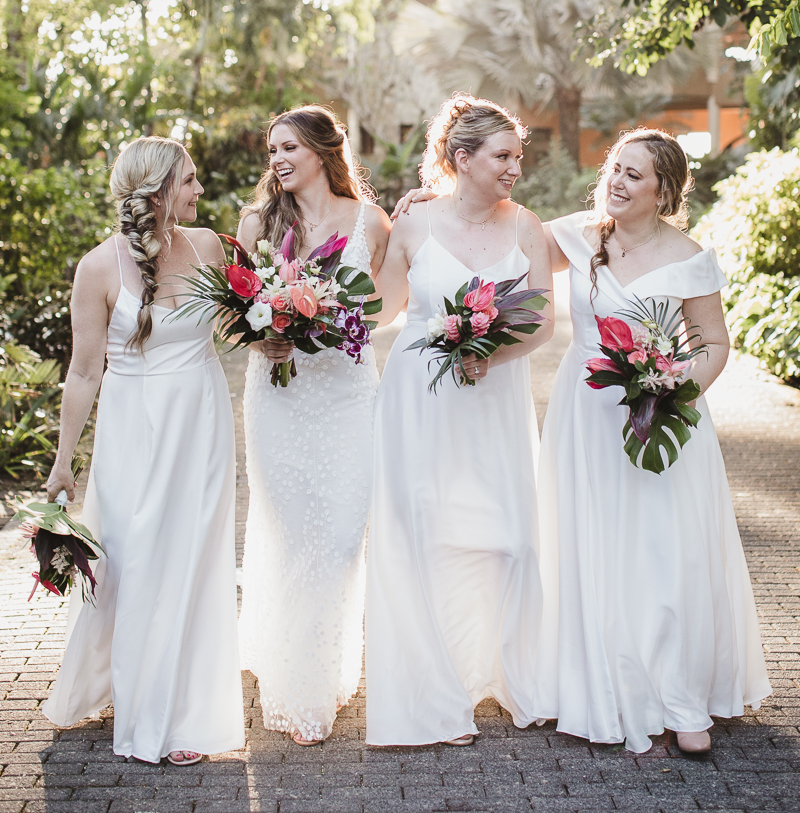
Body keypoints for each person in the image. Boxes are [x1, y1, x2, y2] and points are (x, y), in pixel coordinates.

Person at [531, 127, 771, 754]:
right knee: (592, 541)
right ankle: (595, 682)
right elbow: (502, 229)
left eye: (633, 174)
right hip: (586, 413)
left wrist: (675, 390)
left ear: (663, 190)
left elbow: (714, 343)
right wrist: (432, 196)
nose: (616, 181)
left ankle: (679, 693)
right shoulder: (580, 238)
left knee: (664, 548)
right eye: (614, 167)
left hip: (662, 415)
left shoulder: (690, 257)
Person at [43, 137, 244, 766]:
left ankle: (184, 714)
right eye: (189, 180)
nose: (199, 192)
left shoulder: (209, 246)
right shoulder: (98, 268)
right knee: (139, 562)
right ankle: (137, 701)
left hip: (202, 421)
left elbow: (258, 301)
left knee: (194, 558)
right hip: (135, 429)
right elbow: (82, 374)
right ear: (157, 189)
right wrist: (62, 460)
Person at [365, 94, 554, 747]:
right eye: (504, 156)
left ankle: (501, 670)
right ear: (462, 158)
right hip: (420, 397)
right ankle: (431, 691)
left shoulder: (526, 225)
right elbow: (381, 309)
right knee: (424, 532)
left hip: (494, 397)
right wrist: (301, 306)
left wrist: (490, 352)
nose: (514, 169)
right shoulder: (413, 227)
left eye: (518, 157)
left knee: (508, 537)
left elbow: (539, 321)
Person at [236, 105, 391, 745]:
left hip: (349, 395)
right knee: (289, 530)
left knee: (339, 538)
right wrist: (261, 337)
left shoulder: (371, 222)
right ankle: (297, 685)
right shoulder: (256, 224)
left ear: (326, 151)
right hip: (279, 395)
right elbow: (236, 311)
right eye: (272, 149)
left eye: (289, 147)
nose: (277, 159)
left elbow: (387, 305)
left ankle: (320, 662)